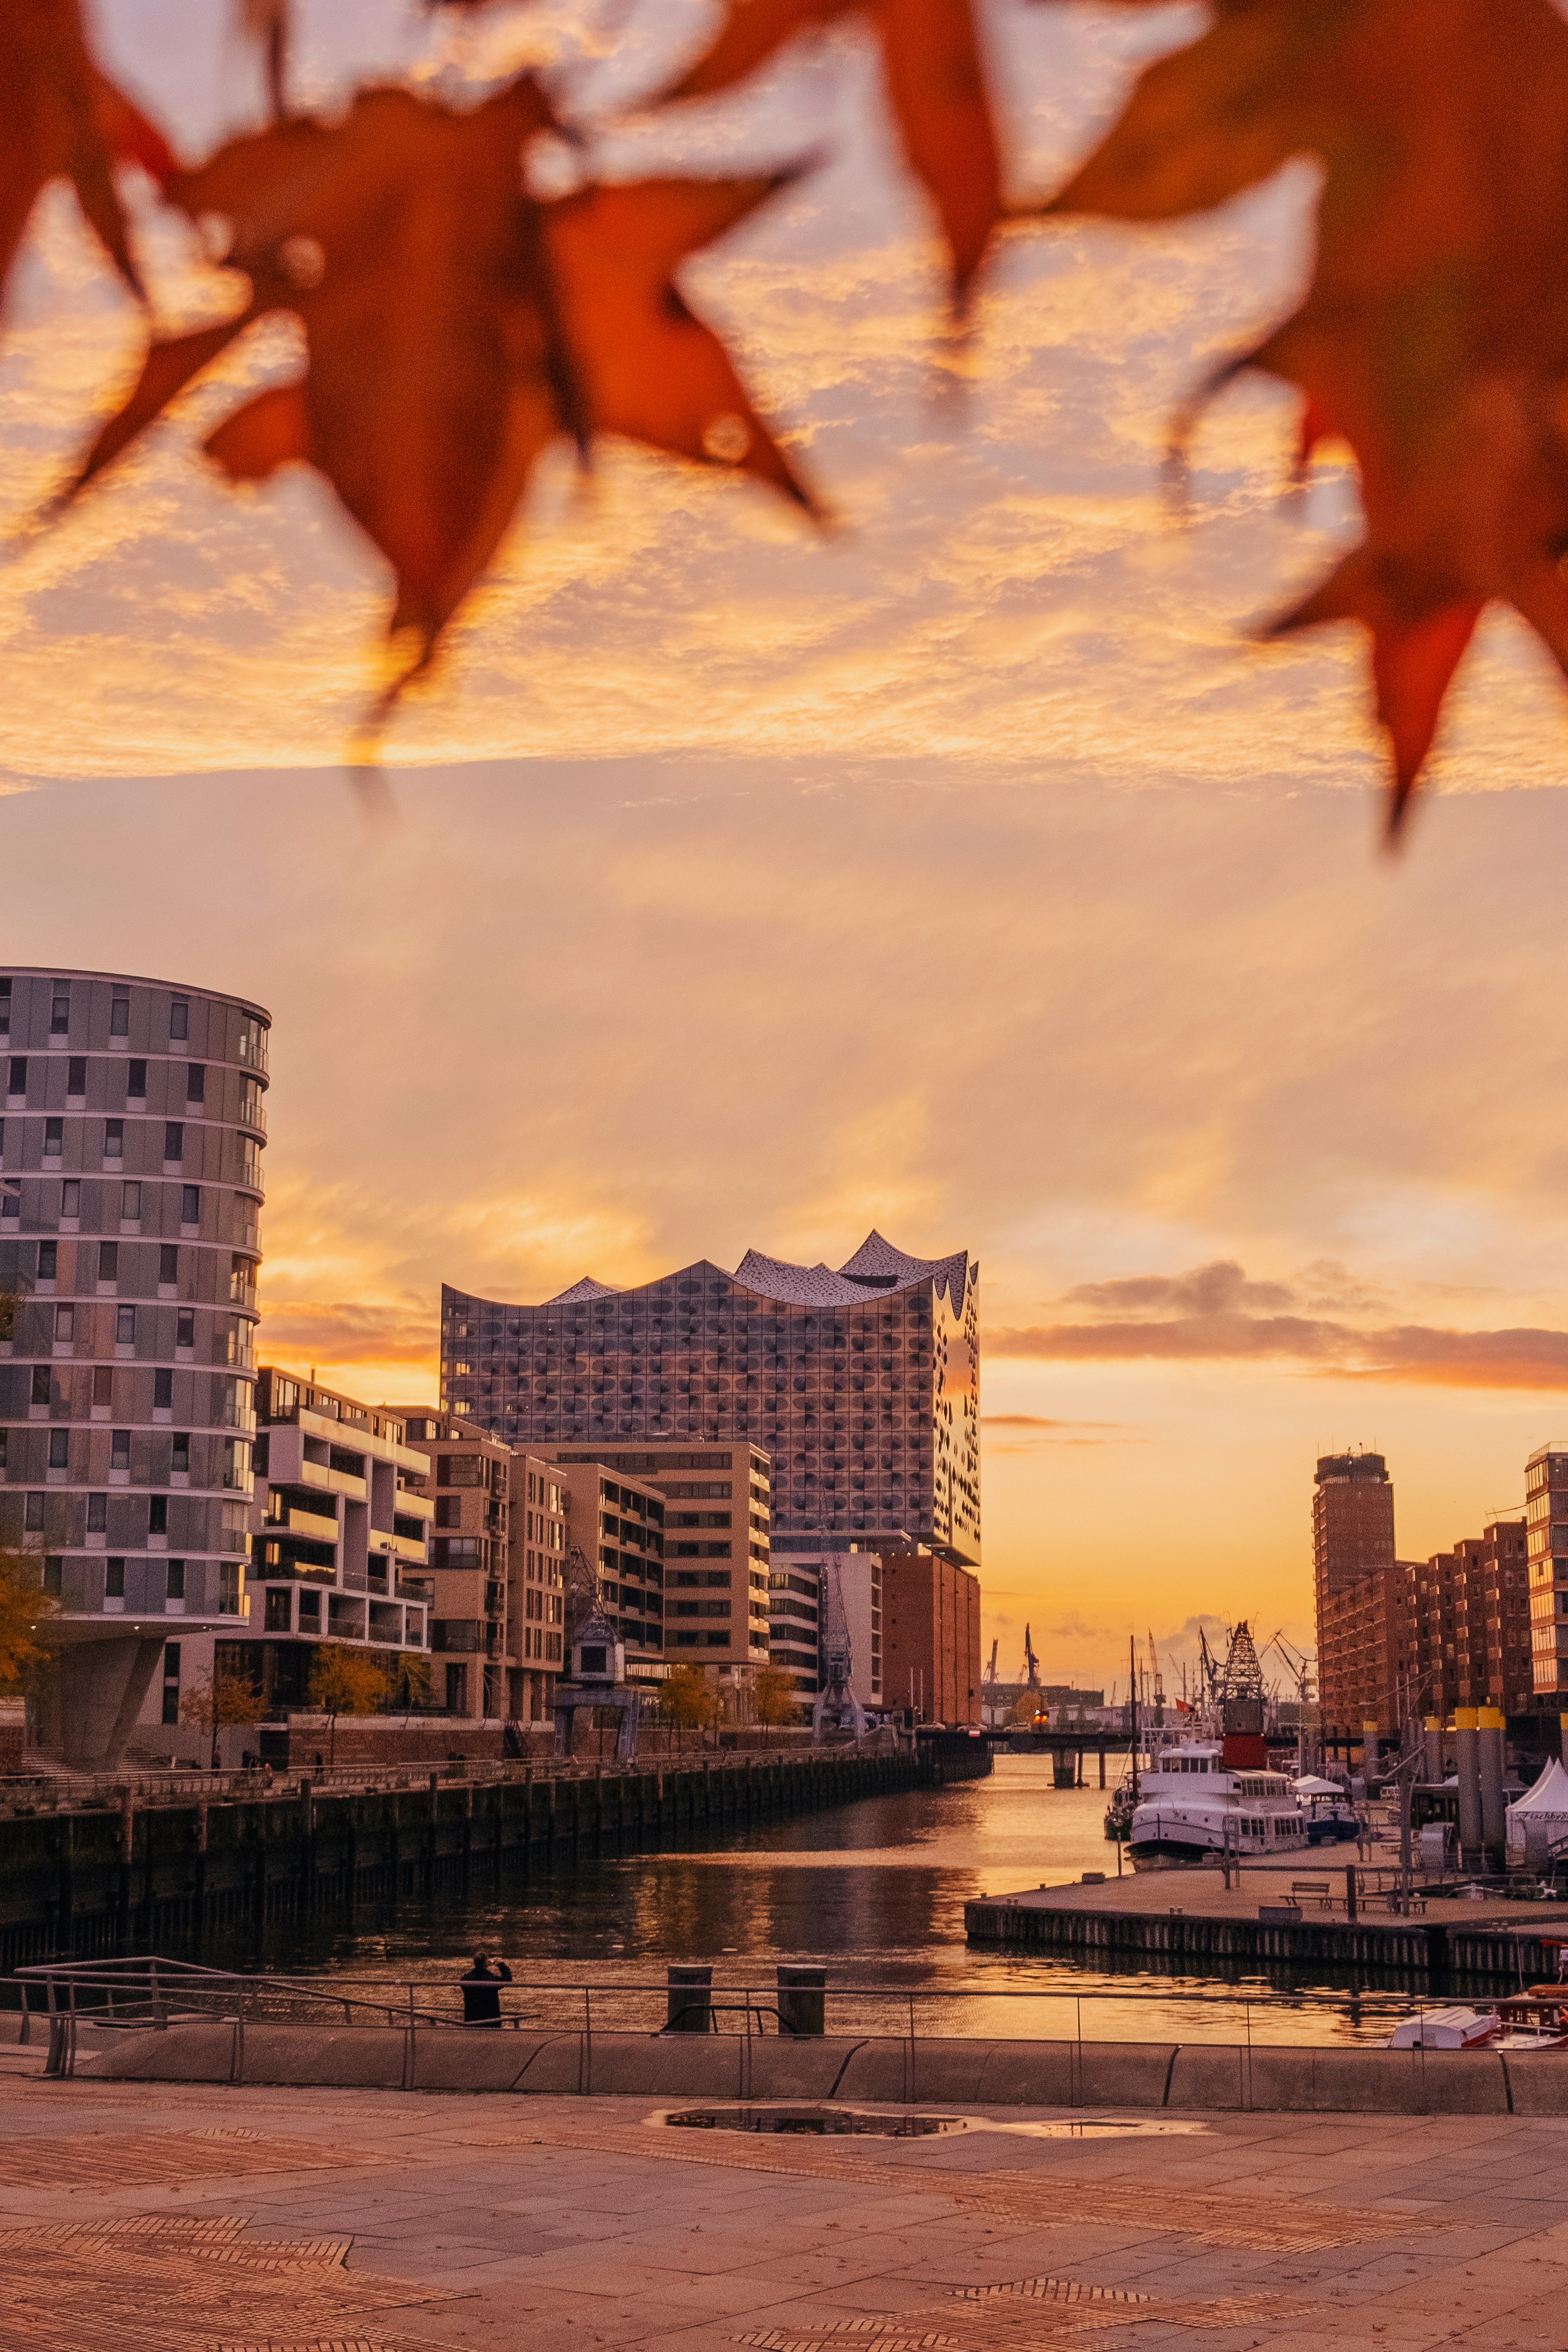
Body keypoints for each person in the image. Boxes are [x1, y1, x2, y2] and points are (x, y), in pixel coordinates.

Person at [460, 1951, 513, 2027]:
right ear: (486, 1963)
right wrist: (500, 1963)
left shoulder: (466, 1980)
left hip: (471, 2020)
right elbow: (508, 1978)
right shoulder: (491, 1980)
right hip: (491, 2021)